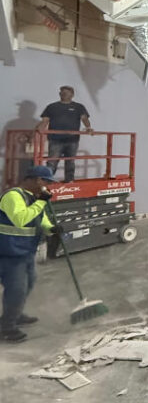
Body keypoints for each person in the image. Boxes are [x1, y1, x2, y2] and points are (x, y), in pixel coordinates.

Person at [0, 165, 56, 342]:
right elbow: (20, 219)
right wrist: (41, 202)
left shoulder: (34, 198)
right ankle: (6, 328)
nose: (47, 185)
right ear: (34, 180)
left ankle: (15, 313)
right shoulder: (13, 196)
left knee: (29, 283)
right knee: (16, 289)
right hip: (9, 252)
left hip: (25, 251)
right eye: (45, 181)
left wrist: (52, 229)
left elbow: (41, 220)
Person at [38, 86, 93, 182]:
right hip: (55, 139)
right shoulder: (52, 107)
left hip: (72, 140)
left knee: (70, 161)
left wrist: (88, 128)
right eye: (62, 93)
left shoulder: (78, 107)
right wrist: (35, 133)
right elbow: (44, 121)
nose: (64, 95)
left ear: (72, 95)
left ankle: (69, 180)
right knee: (52, 162)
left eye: (66, 93)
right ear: (59, 94)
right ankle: (46, 181)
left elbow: (84, 119)